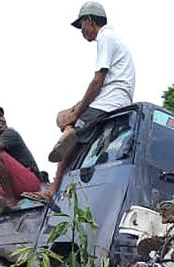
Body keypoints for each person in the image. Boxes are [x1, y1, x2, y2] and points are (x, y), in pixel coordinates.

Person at [41, 2, 135, 199]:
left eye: (81, 26)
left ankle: (52, 189)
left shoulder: (106, 38)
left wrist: (75, 114)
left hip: (109, 102)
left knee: (70, 127)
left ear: (89, 20)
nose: (82, 32)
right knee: (61, 115)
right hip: (112, 99)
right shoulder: (114, 39)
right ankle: (68, 130)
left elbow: (97, 80)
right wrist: (73, 109)